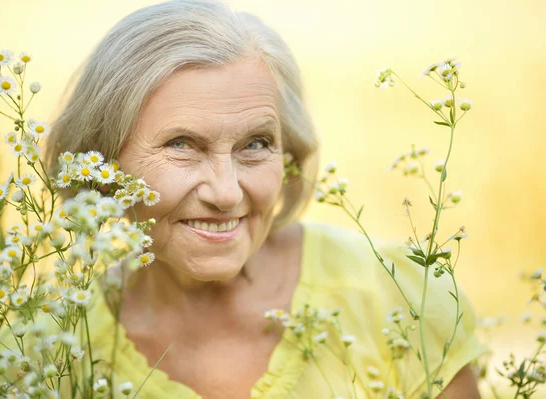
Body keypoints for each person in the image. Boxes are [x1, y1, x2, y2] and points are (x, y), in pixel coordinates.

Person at [45, 0, 486, 397]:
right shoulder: (49, 352)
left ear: (289, 153)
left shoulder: (398, 299)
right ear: (100, 162)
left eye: (255, 144)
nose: (226, 192)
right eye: (182, 144)